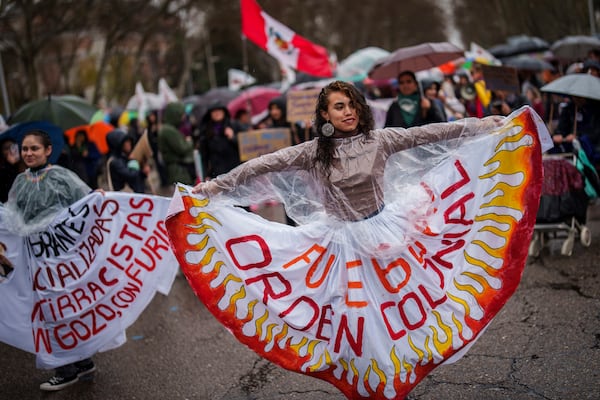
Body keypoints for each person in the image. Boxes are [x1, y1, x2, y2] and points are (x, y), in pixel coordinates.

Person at [193, 80, 501, 222]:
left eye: (352, 104)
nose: (348, 111)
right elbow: (261, 165)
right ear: (326, 115)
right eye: (339, 106)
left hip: (383, 231)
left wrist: (484, 124)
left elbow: (432, 133)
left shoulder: (381, 139)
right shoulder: (313, 151)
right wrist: (214, 186)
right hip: (339, 240)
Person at [4, 129, 97, 390]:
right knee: (48, 311)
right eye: (25, 149)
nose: (29, 153)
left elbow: (86, 204)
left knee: (63, 308)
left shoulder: (62, 177)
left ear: (48, 151)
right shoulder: (20, 182)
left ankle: (71, 367)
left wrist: (99, 198)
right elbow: (12, 218)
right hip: (35, 258)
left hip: (62, 259)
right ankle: (76, 363)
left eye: (34, 148)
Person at [197, 102, 240, 181]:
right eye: (214, 111)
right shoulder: (206, 131)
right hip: (217, 174)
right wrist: (206, 175)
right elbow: (204, 156)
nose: (217, 113)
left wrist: (233, 137)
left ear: (224, 112)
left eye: (219, 110)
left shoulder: (234, 126)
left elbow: (245, 148)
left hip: (236, 172)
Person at [157, 102, 195, 185]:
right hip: (178, 171)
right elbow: (182, 148)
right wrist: (189, 142)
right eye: (182, 115)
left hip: (177, 169)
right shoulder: (168, 130)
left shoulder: (168, 129)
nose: (183, 118)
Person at [106, 128, 148, 193]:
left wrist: (143, 173)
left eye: (129, 141)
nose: (129, 144)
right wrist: (134, 161)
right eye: (126, 142)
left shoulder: (123, 157)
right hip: (126, 198)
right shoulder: (115, 161)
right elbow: (130, 176)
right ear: (118, 144)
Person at [0, 138, 25, 203]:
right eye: (6, 148)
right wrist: (9, 166)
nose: (10, 151)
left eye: (13, 147)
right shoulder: (3, 170)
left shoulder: (26, 163)